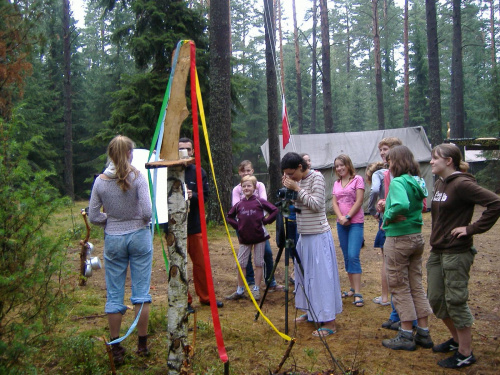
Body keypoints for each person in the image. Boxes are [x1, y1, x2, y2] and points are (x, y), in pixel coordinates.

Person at [427, 143, 500, 369]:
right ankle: (456, 339)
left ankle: (465, 352)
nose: (431, 161)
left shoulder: (462, 183)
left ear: (449, 161)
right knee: (436, 298)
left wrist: (470, 228)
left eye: (435, 158)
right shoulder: (441, 183)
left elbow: (495, 203)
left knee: (456, 300)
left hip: (456, 252)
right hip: (438, 250)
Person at [89, 135, 153, 364]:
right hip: (139, 236)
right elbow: (147, 212)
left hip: (113, 239)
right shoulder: (139, 177)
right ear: (129, 153)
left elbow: (94, 215)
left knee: (114, 293)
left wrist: (111, 220)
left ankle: (116, 348)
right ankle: (142, 345)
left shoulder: (100, 181)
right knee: (141, 293)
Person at [281, 152, 342, 337]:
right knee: (304, 276)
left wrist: (297, 188)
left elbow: (316, 205)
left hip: (318, 235)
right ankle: (310, 311)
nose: (290, 177)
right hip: (304, 235)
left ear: (300, 167)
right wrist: (290, 192)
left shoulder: (317, 177)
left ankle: (329, 321)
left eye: (291, 173)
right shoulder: (296, 181)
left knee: (321, 278)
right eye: (287, 175)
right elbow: (297, 204)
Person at [381, 145, 433, 351]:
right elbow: (419, 206)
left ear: (398, 162)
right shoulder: (417, 181)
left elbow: (401, 205)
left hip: (398, 238)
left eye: (390, 161)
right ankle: (423, 332)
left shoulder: (398, 182)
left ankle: (405, 333)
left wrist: (387, 215)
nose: (388, 164)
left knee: (399, 285)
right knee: (416, 284)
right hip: (416, 236)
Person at [178, 138, 224, 310]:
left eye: (187, 149)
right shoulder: (169, 171)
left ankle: (206, 297)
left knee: (201, 264)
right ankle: (185, 300)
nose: (184, 152)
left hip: (195, 225)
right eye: (180, 149)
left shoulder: (198, 172)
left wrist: (193, 195)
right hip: (175, 228)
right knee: (179, 265)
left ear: (193, 152)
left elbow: (205, 196)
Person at [231, 160, 283, 291]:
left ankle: (270, 282)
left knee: (266, 253)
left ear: (252, 171)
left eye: (248, 170)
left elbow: (264, 203)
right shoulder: (237, 189)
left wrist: (262, 219)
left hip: (258, 225)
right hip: (243, 225)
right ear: (239, 172)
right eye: (243, 171)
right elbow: (236, 208)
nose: (245, 173)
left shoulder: (259, 186)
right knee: (245, 256)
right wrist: (239, 224)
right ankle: (248, 282)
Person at [331, 154, 365, 307]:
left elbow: (359, 200)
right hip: (341, 224)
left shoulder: (357, 179)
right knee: (346, 256)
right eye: (337, 166)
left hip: (355, 223)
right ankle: (351, 288)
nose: (339, 168)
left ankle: (358, 293)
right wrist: (340, 217)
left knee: (353, 255)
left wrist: (349, 216)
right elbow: (334, 202)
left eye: (341, 165)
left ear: (348, 165)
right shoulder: (336, 183)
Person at [365, 161, 390, 306]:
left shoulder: (378, 174)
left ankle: (385, 296)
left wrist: (372, 210)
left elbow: (374, 190)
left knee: (387, 259)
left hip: (385, 219)